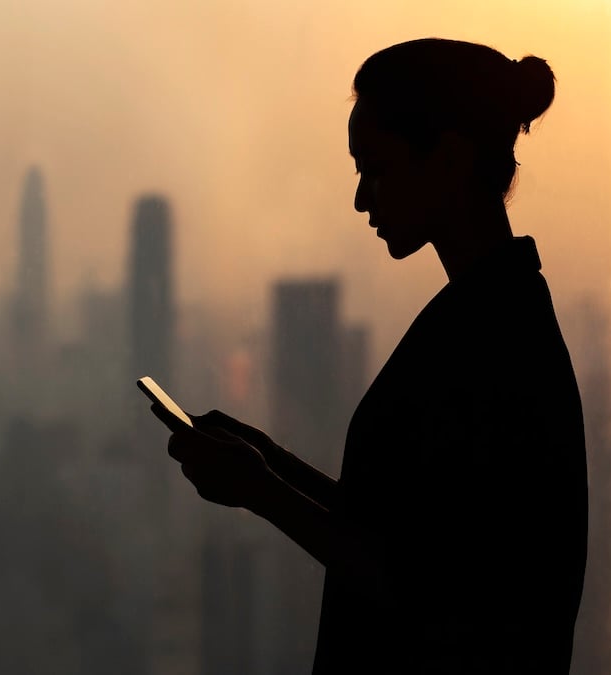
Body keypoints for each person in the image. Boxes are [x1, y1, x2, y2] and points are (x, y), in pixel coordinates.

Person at [152, 37, 588, 674]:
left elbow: (433, 593)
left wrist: (263, 489)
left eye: (376, 168)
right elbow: (407, 536)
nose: (362, 198)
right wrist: (269, 466)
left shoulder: (490, 342)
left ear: (449, 158)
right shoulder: (489, 318)